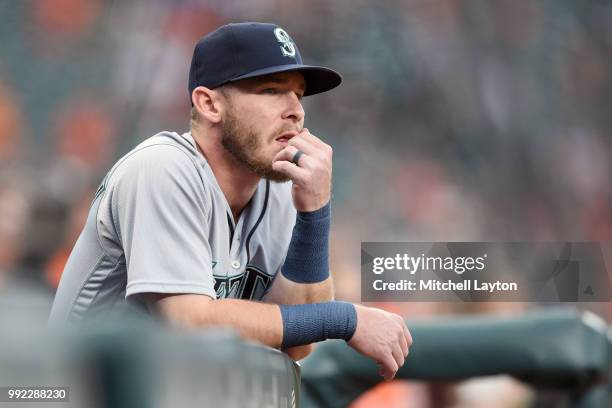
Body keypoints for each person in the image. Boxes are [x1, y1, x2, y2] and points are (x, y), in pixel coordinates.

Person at [49, 22, 411, 380]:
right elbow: (190, 322)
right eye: (271, 90)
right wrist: (345, 319)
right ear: (209, 104)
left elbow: (299, 341)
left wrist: (314, 210)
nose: (295, 111)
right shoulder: (161, 169)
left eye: (298, 95)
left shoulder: (280, 188)